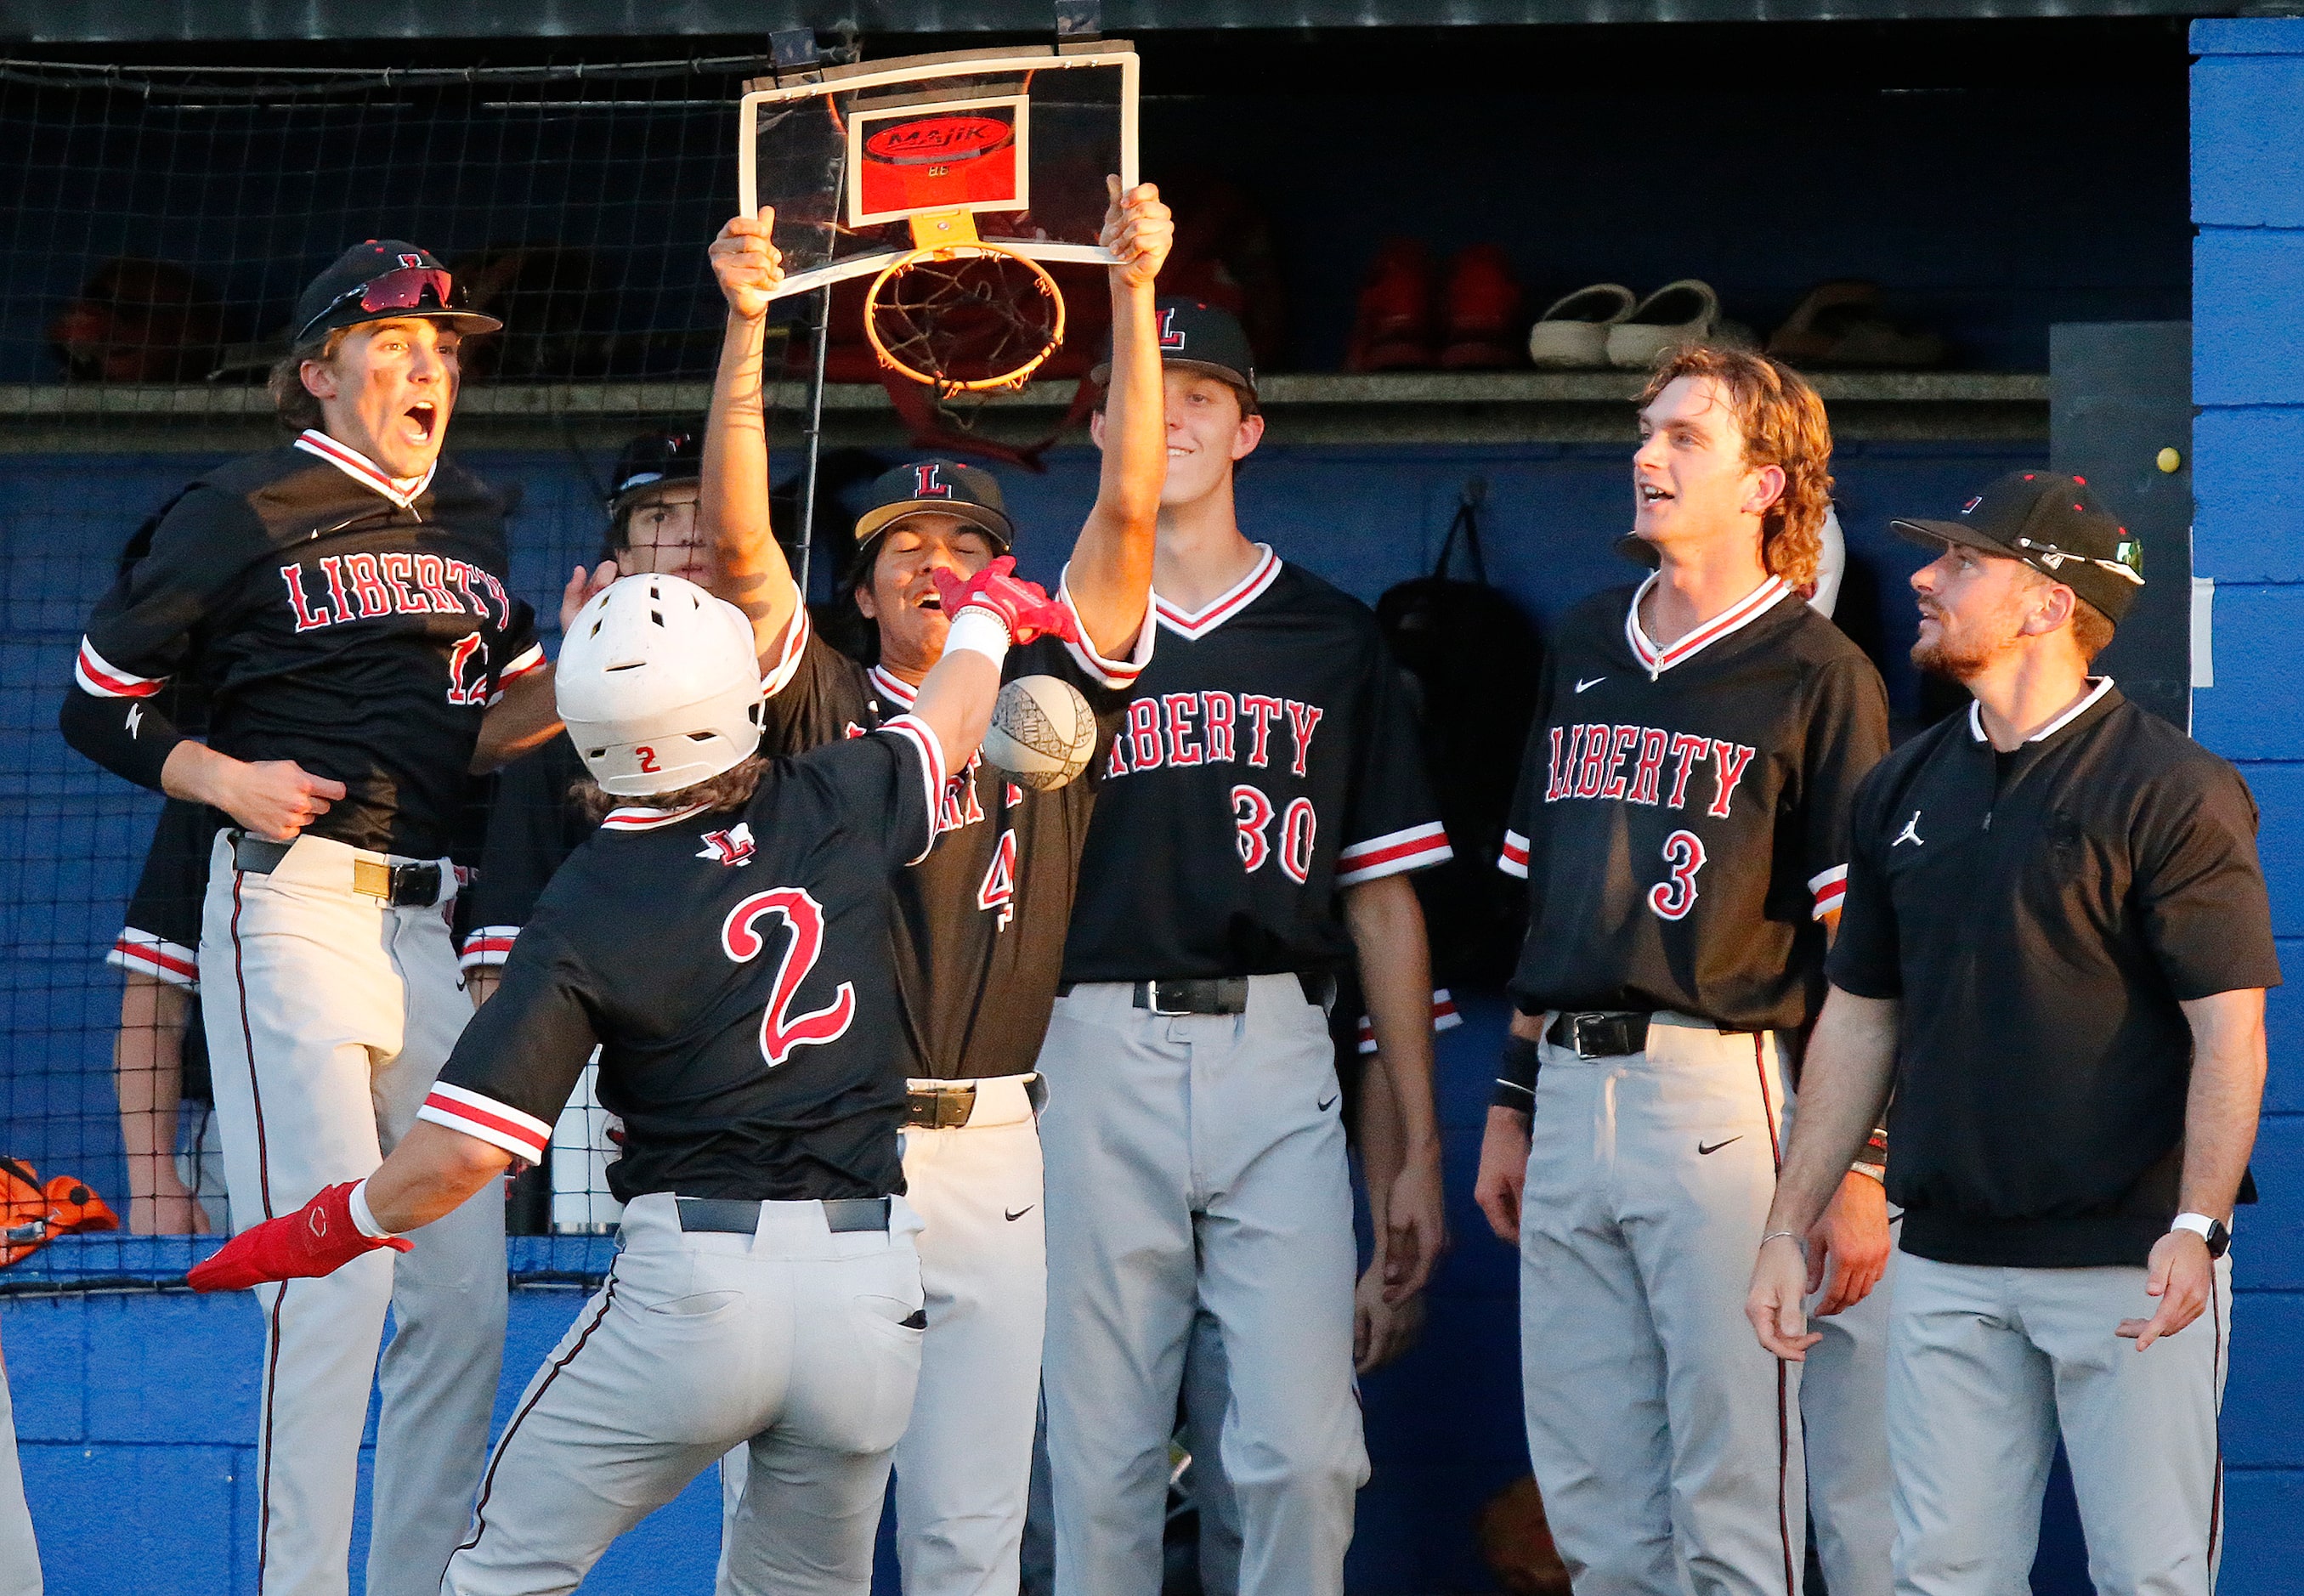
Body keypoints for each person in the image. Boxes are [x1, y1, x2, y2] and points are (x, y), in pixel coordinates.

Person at [189, 560, 1080, 1596]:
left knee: (494, 1577)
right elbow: (950, 722)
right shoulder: (837, 795)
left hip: (693, 1299)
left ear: (589, 731)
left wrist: (322, 1228)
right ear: (735, 695)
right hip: (868, 1297)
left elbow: (464, 1156)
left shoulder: (590, 896)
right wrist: (981, 619)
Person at [58, 240, 580, 1596]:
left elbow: (492, 729)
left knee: (463, 1300)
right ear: (319, 369)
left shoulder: (470, 512)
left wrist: (605, 674)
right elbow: (98, 694)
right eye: (399, 344)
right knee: (336, 1271)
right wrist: (221, 774)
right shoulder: (238, 506)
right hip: (287, 909)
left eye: (445, 350)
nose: (429, 368)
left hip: (425, 923)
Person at [694, 181, 1171, 1596]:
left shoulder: (1043, 694)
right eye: (907, 547)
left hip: (992, 1142)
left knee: (971, 1533)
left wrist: (1136, 295)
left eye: (968, 547)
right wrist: (743, 326)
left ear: (1002, 585)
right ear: (866, 586)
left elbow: (1131, 504)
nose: (939, 562)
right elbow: (735, 553)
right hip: (818, 1141)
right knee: (793, 1532)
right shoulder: (823, 692)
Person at [1746, 472, 2278, 1596]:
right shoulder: (1898, 786)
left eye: (1961, 560)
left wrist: (2194, 1221)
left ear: (2044, 603)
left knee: (2147, 1574)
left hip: (2128, 1261)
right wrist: (1786, 1222)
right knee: (1940, 1571)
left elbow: (2228, 1032)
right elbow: (1859, 1014)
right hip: (1944, 1257)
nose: (1924, 579)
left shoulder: (2171, 788)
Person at [1035, 297, 1452, 1596]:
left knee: (1298, 1455)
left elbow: (1382, 902)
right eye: (1145, 395)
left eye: (1201, 393)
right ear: (1101, 426)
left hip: (1280, 1038)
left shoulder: (1330, 634)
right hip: (1087, 1040)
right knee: (1090, 1462)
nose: (1174, 417)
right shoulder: (1047, 633)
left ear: (1249, 427)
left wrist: (1415, 1155)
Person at [1470, 343, 1890, 1596]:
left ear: (1766, 484)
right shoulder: (1587, 634)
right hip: (1567, 1096)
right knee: (1594, 1506)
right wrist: (1506, 1102)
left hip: (1721, 1093)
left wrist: (1857, 1165)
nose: (1645, 456)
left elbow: (1860, 954)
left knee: (1730, 1501)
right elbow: (1549, 902)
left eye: (1683, 438)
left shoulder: (1821, 672)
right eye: (1644, 431)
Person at [110, 797, 229, 1235]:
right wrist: (153, 1185)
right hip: (234, 1140)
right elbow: (153, 1008)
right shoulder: (215, 785)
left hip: (416, 1130)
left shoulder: (447, 778)